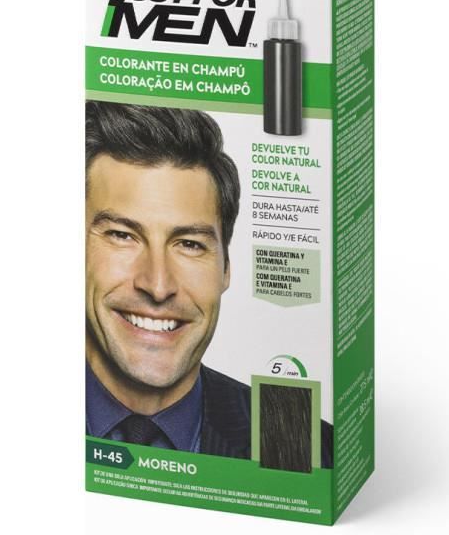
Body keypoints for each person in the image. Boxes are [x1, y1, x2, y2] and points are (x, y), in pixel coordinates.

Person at [85, 101, 333, 468]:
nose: (158, 285)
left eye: (189, 244)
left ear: (226, 268)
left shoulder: (311, 447)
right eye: (122, 235)